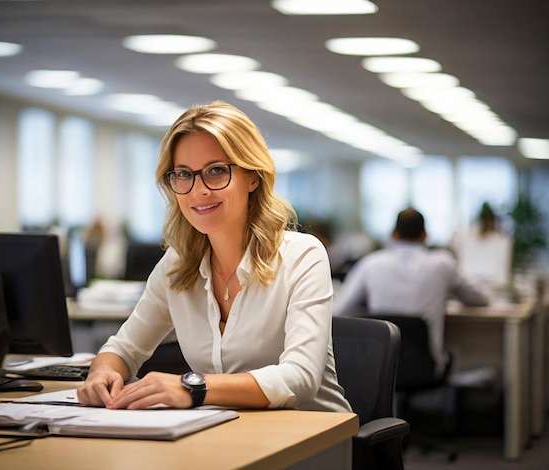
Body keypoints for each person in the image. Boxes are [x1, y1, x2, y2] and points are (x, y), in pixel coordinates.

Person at [77, 101, 351, 413]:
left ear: (253, 176)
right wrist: (103, 375)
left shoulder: (303, 255)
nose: (198, 191)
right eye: (183, 174)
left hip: (312, 442)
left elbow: (299, 378)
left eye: (216, 171)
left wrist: (193, 387)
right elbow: (124, 349)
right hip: (227, 435)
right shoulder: (177, 265)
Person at [333, 208, 489, 376]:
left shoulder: (370, 264)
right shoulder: (442, 264)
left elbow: (337, 311)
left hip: (380, 368)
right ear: (424, 235)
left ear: (394, 234)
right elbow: (480, 298)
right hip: (426, 368)